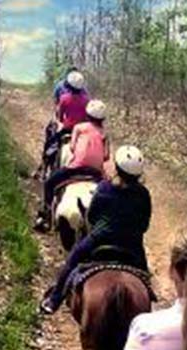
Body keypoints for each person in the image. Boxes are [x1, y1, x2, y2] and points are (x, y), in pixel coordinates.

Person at [40, 145, 152, 314]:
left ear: (117, 168)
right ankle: (149, 305)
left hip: (99, 238)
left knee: (72, 261)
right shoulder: (143, 194)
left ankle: (54, 300)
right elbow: (144, 225)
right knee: (145, 278)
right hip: (132, 244)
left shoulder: (105, 187)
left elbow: (92, 216)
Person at [36, 99, 109, 231]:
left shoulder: (79, 128)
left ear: (87, 115)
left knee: (49, 183)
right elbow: (106, 156)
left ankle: (44, 216)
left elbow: (72, 148)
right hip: (96, 172)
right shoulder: (104, 134)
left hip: (76, 168)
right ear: (102, 119)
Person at [42, 71, 90, 170]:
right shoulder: (87, 100)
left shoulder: (64, 98)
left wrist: (61, 121)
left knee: (52, 143)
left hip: (67, 128)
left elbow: (59, 116)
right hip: (82, 130)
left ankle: (45, 164)